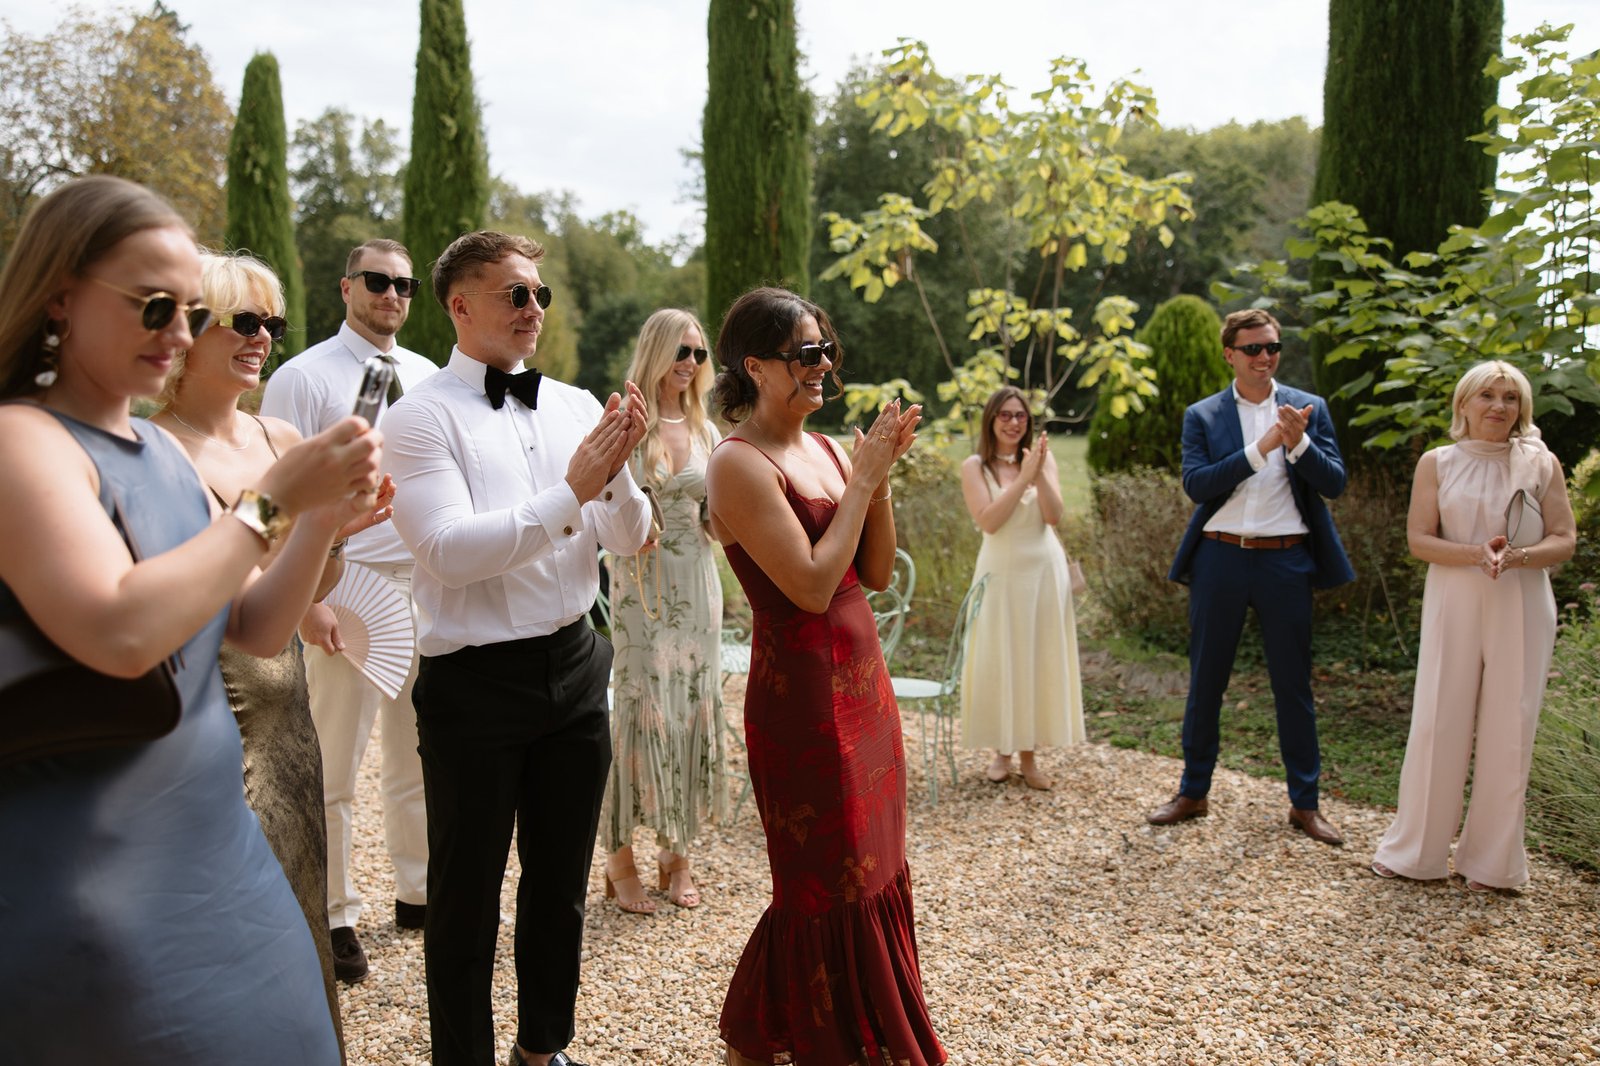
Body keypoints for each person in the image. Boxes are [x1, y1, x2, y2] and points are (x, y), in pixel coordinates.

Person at [0, 176, 381, 1063]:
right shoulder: (24, 442)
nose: (181, 333)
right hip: (97, 883)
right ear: (61, 293)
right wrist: (276, 499)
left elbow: (250, 624)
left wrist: (323, 516)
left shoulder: (152, 454)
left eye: (191, 310)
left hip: (224, 861)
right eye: (157, 307)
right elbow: (123, 632)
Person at [383, 230, 651, 1066]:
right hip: (474, 683)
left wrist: (619, 472)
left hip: (576, 663)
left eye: (540, 294)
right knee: (464, 898)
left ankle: (545, 1049)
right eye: (515, 294)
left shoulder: (573, 403)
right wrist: (571, 489)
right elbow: (449, 552)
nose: (534, 308)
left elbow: (633, 536)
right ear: (460, 305)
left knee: (559, 885)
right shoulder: (419, 418)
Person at [153, 250, 395, 1052]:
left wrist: (337, 527)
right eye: (244, 321)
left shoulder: (277, 434)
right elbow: (221, 612)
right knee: (232, 943)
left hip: (288, 712)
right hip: (217, 716)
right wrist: (295, 505)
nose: (263, 339)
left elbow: (302, 594)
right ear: (189, 332)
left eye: (273, 323)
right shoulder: (156, 449)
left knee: (299, 922)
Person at [705, 286, 944, 1066]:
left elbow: (871, 571)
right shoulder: (737, 463)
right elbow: (808, 587)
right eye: (805, 353)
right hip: (800, 695)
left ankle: (855, 1029)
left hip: (864, 683)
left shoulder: (832, 449)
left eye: (825, 349)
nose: (822, 365)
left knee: (875, 867)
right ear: (756, 367)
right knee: (823, 882)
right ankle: (798, 1037)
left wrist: (874, 473)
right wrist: (866, 480)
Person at [261, 237, 435, 982]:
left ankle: (421, 891)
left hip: (424, 581)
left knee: (420, 751)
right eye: (378, 280)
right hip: (345, 581)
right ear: (345, 286)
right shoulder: (302, 380)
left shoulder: (427, 376)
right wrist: (306, 604)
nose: (392, 294)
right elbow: (276, 497)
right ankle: (335, 914)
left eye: (405, 284)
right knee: (336, 757)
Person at [1147, 308, 1354, 845]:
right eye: (1254, 349)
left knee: (1293, 684)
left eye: (1273, 348)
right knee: (1206, 681)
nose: (1265, 357)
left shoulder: (1309, 408)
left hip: (1286, 560)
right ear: (1230, 355)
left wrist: (1299, 444)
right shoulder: (1204, 415)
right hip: (1221, 558)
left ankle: (1304, 805)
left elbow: (1334, 483)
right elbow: (1198, 484)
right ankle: (1193, 792)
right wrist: (1262, 449)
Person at [1371, 361, 1576, 890]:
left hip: (1522, 599)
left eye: (1511, 398)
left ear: (1522, 409)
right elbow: (1419, 539)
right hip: (1454, 595)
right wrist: (1473, 553)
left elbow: (1564, 538)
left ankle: (1492, 862)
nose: (1499, 407)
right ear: (1464, 404)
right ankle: (1416, 852)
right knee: (1440, 719)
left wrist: (1519, 556)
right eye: (1487, 395)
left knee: (1511, 727)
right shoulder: (1437, 462)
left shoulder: (1541, 462)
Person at [601, 307, 727, 914]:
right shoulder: (629, 421)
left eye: (699, 353)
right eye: (681, 350)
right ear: (655, 350)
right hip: (641, 588)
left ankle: (678, 854)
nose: (690, 363)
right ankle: (618, 857)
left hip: (698, 584)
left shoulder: (707, 428)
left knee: (687, 712)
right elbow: (599, 504)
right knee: (639, 710)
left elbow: (718, 521)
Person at [958, 385, 1085, 789]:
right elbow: (989, 521)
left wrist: (1039, 473)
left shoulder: (1042, 462)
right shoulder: (975, 467)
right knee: (1001, 659)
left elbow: (1054, 515)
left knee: (1036, 659)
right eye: (1005, 415)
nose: (1014, 423)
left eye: (1021, 416)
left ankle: (1030, 756)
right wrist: (1022, 478)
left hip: (1044, 574)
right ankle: (1001, 751)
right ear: (991, 420)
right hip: (1001, 574)